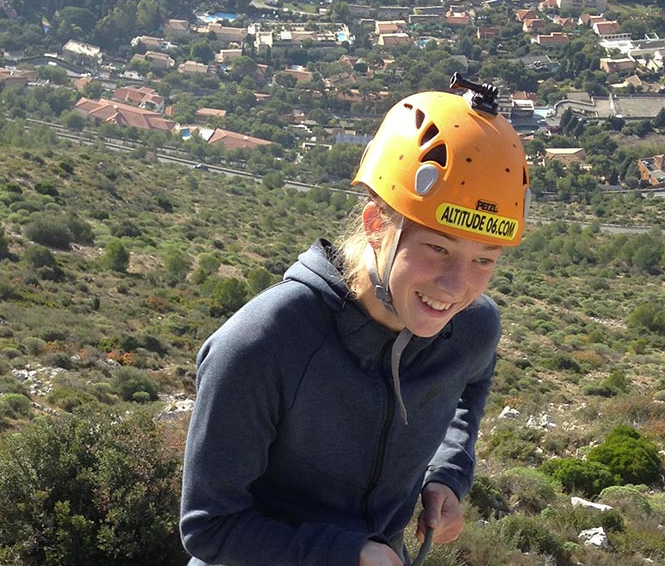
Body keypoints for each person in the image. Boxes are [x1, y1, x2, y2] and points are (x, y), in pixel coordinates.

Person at [180, 74, 529, 566]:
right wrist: (347, 555)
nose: (456, 288)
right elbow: (209, 526)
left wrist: (447, 473)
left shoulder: (470, 327)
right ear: (376, 228)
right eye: (437, 248)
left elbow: (473, 381)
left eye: (484, 260)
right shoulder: (264, 344)